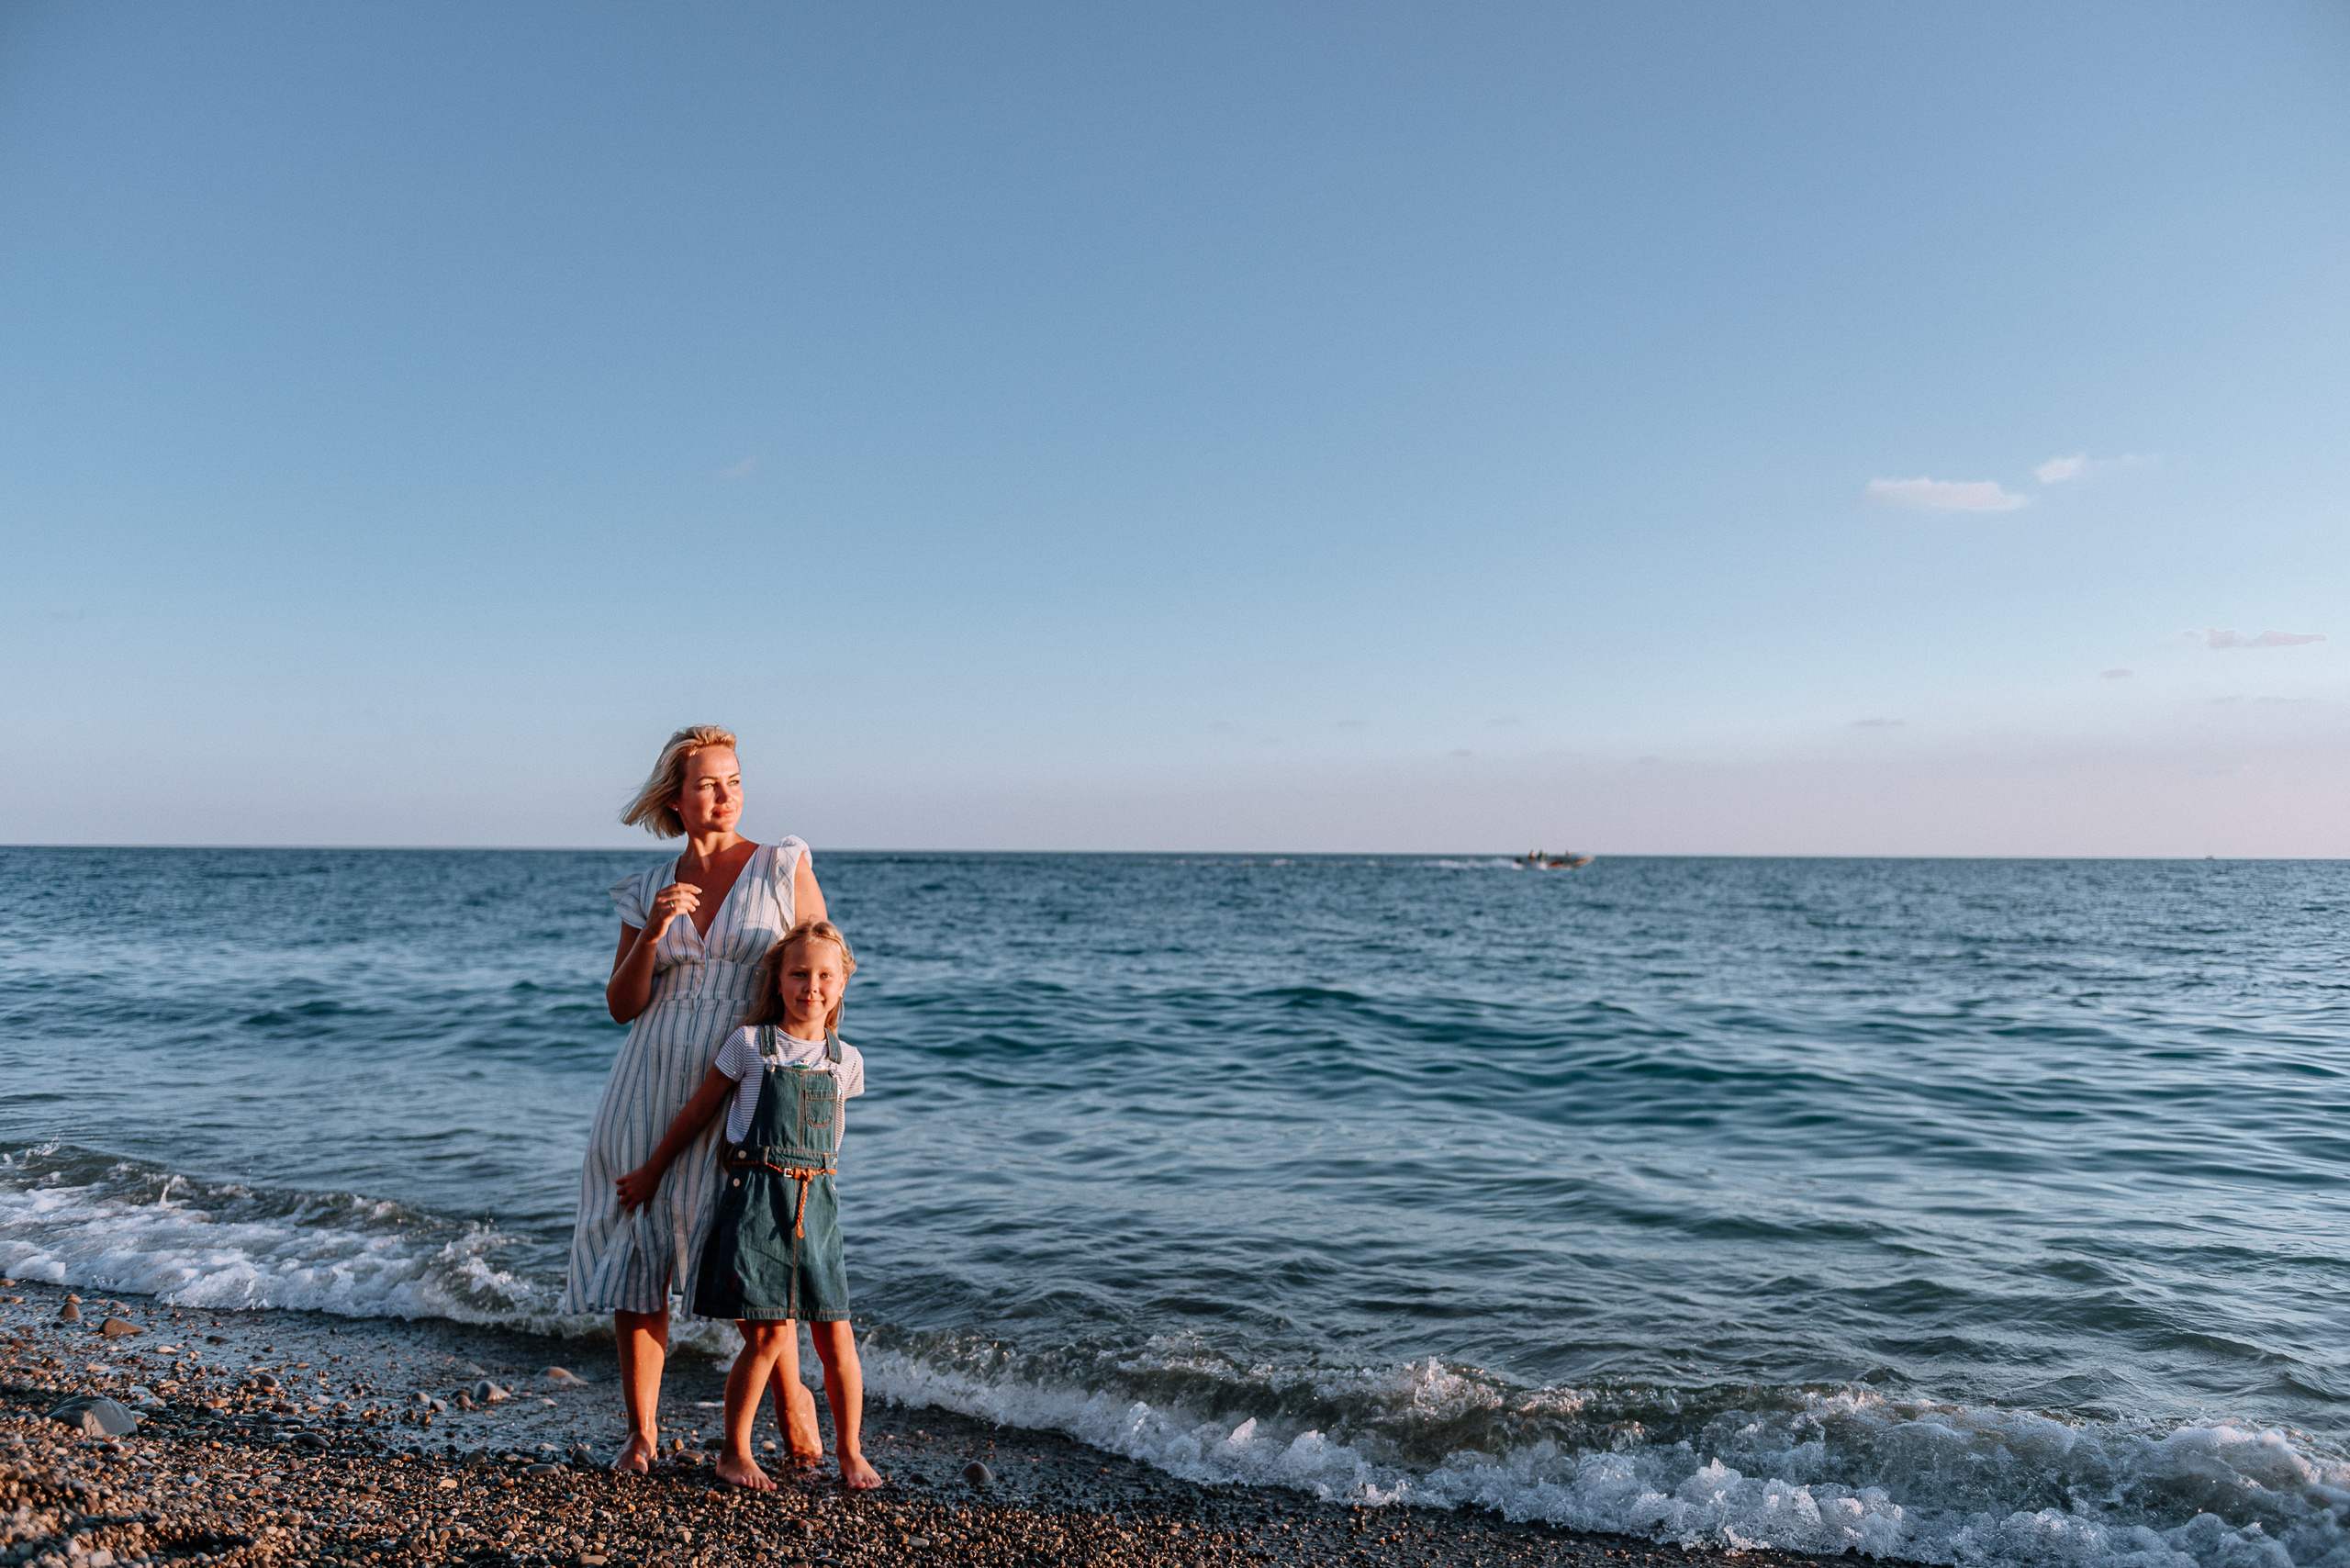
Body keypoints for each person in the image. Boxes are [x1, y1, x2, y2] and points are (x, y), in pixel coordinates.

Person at [562, 723, 828, 1474]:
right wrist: (652, 934)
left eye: (735, 780)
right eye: (709, 783)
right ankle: (642, 1434)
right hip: (645, 1084)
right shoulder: (648, 888)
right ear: (675, 798)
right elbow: (622, 1005)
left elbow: (823, 973)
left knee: (746, 1251)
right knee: (638, 1257)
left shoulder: (783, 865)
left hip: (746, 1084)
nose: (726, 795)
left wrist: (803, 1075)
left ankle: (789, 1395)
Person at [615, 920, 882, 1491]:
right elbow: (698, 1113)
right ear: (779, 980)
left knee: (836, 1334)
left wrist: (815, 1200)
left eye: (825, 976)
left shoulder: (847, 1061)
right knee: (766, 1336)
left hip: (818, 1204)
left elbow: (831, 1140)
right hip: (756, 1199)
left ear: (842, 984)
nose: (812, 986)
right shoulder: (749, 1045)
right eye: (799, 974)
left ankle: (850, 1452)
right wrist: (652, 1171)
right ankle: (734, 1452)